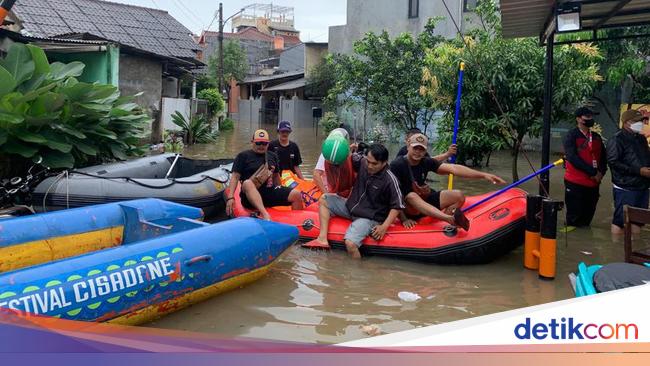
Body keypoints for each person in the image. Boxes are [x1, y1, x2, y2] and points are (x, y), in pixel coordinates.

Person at [390, 133, 506, 229]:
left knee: (459, 196)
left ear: (425, 150)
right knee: (411, 196)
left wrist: (484, 175)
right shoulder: (397, 165)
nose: (418, 152)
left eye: (422, 149)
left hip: (424, 199)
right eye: (415, 148)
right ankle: (449, 219)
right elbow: (392, 195)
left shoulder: (426, 161)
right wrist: (404, 219)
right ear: (408, 146)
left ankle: (442, 220)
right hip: (409, 208)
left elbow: (453, 169)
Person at [308, 144, 405, 259]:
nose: (369, 166)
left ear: (384, 163)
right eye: (368, 161)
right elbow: (347, 155)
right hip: (351, 207)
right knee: (324, 199)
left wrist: (384, 226)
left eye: (374, 164)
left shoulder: (390, 180)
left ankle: (356, 273)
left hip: (369, 218)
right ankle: (322, 239)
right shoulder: (362, 162)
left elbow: (397, 205)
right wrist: (345, 147)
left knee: (351, 243)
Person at [225, 129, 303, 221]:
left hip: (269, 193)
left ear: (268, 144)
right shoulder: (243, 156)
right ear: (252, 142)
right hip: (250, 196)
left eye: (264, 143)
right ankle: (264, 214)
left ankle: (299, 223)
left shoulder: (272, 156)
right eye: (258, 143)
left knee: (296, 194)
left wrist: (281, 190)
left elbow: (276, 176)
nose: (261, 146)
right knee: (247, 183)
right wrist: (230, 197)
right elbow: (235, 177)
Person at [562, 107, 608, 232]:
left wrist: (601, 174)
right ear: (578, 119)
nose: (590, 119)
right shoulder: (571, 135)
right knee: (573, 218)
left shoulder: (597, 137)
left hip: (593, 183)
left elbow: (603, 159)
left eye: (591, 117)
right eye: (587, 117)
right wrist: (592, 172)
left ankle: (585, 243)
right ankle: (572, 245)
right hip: (575, 182)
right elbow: (572, 157)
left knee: (587, 217)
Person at [606, 109, 650, 234]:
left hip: (643, 185)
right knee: (621, 221)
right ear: (626, 123)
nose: (640, 123)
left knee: (638, 220)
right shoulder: (616, 139)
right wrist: (639, 171)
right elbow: (613, 162)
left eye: (641, 121)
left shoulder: (641, 139)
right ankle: (616, 248)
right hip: (625, 186)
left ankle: (634, 247)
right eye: (636, 121)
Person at [313, 128, 354, 195]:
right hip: (330, 189)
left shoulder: (347, 154)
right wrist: (326, 194)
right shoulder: (328, 154)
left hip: (344, 189)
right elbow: (316, 174)